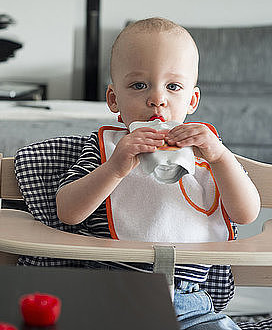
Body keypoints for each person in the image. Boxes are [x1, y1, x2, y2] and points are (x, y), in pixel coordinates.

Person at [55, 17, 260, 329]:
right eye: (139, 85)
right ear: (114, 100)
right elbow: (68, 212)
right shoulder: (106, 150)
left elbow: (246, 214)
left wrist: (219, 157)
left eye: (173, 86)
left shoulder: (207, 154)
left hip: (189, 303)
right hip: (110, 296)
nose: (157, 98)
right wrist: (115, 168)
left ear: (191, 100)